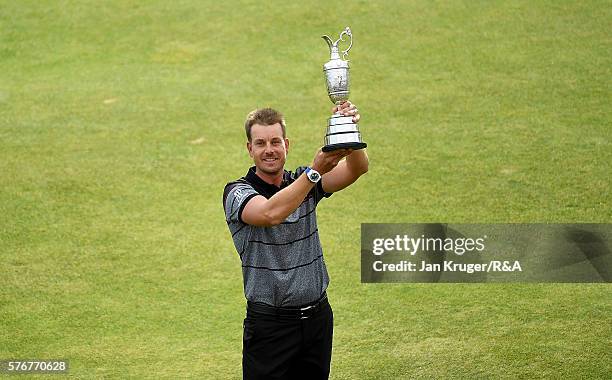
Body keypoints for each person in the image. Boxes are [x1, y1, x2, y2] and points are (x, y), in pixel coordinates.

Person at [223, 101, 369, 379]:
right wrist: (313, 173)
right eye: (261, 143)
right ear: (249, 149)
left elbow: (356, 169)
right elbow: (269, 213)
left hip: (317, 320)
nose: (269, 150)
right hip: (270, 327)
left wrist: (348, 130)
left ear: (286, 145)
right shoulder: (236, 192)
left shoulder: (303, 181)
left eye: (275, 142)